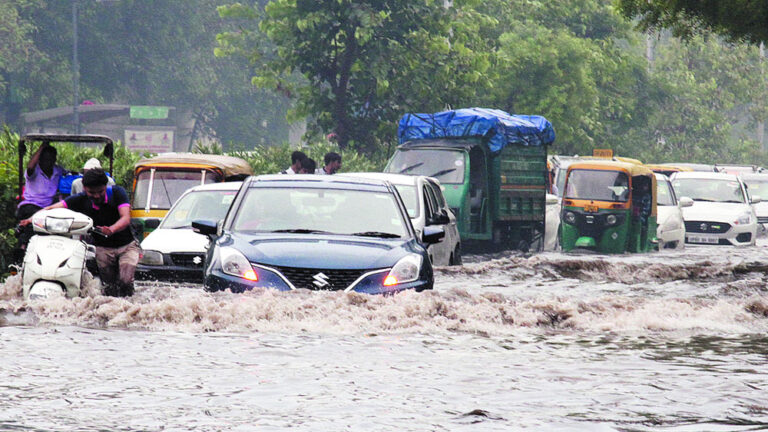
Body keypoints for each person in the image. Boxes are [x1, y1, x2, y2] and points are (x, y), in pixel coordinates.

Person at [25, 168, 140, 297]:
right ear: (84, 188)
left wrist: (111, 229)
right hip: (102, 248)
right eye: (92, 192)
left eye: (100, 192)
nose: (96, 196)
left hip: (127, 247)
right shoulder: (79, 199)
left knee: (125, 281)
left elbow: (125, 218)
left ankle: (131, 305)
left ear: (105, 186)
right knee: (110, 288)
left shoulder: (118, 193)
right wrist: (30, 220)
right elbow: (51, 209)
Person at [14, 143, 65, 262]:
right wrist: (42, 147)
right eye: (45, 159)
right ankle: (23, 249)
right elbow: (30, 167)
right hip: (30, 204)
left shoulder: (58, 170)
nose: (48, 162)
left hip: (48, 207)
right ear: (40, 159)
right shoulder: (34, 171)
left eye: (51, 159)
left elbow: (70, 176)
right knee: (35, 221)